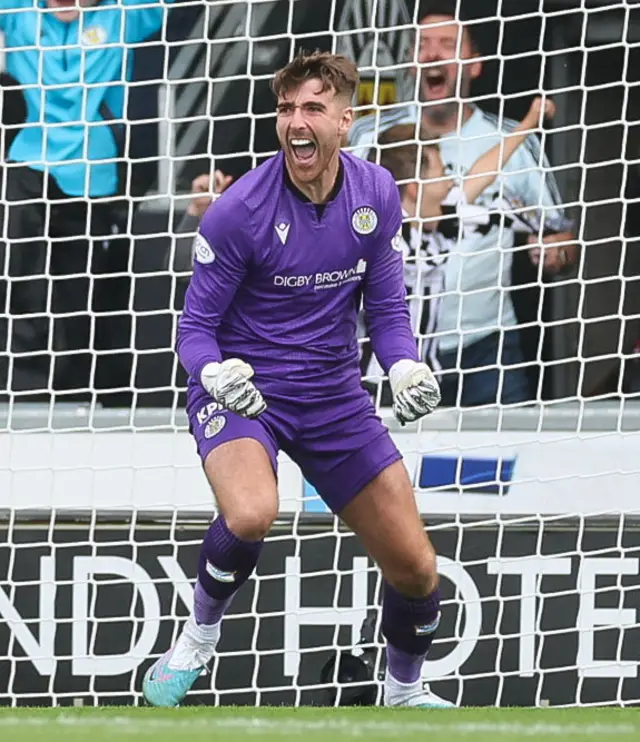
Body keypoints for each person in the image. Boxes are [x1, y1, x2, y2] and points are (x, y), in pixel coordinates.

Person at [143, 50, 452, 709]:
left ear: (345, 121)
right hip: (241, 387)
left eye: (312, 108)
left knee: (417, 569)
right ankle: (198, 635)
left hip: (332, 392)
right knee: (253, 511)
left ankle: (404, 693)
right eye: (286, 109)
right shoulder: (239, 211)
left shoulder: (375, 194)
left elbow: (389, 312)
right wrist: (215, 374)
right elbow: (193, 329)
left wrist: (403, 364)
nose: (295, 122)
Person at [349, 0, 578, 407]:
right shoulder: (371, 140)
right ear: (411, 64)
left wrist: (551, 250)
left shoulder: (512, 147)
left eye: (447, 44)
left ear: (474, 64)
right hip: (390, 350)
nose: (433, 53)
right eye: (424, 44)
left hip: (487, 348)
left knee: (498, 466)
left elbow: (556, 234)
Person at [0, 0, 174, 401]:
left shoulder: (125, 15)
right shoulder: (19, 12)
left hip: (93, 175)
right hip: (28, 166)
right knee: (22, 286)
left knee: (83, 296)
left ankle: (80, 400)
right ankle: (23, 393)